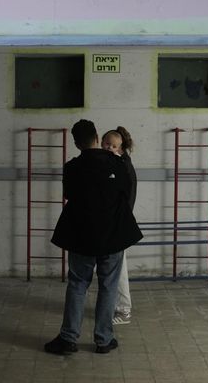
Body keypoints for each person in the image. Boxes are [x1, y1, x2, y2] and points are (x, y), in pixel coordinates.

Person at [44, 119, 142, 355]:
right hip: (113, 236)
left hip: (81, 236)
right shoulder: (117, 163)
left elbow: (69, 195)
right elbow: (127, 193)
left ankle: (68, 338)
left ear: (77, 143)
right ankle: (104, 340)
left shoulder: (71, 167)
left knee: (78, 285)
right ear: (97, 138)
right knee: (108, 286)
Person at [101, 127, 137, 325]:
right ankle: (117, 307)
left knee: (119, 269)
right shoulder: (117, 163)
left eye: (113, 146)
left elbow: (124, 198)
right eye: (106, 144)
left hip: (118, 224)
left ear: (120, 148)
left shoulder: (121, 166)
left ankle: (123, 310)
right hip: (115, 224)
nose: (109, 148)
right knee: (115, 269)